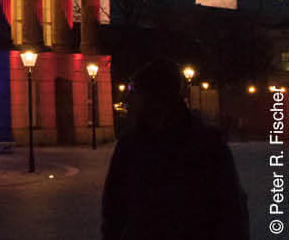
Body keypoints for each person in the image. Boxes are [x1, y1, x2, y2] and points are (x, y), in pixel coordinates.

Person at [101, 59, 248, 240]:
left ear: (156, 97)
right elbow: (114, 209)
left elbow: (229, 210)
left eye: (133, 90)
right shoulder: (130, 144)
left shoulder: (206, 145)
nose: (127, 100)